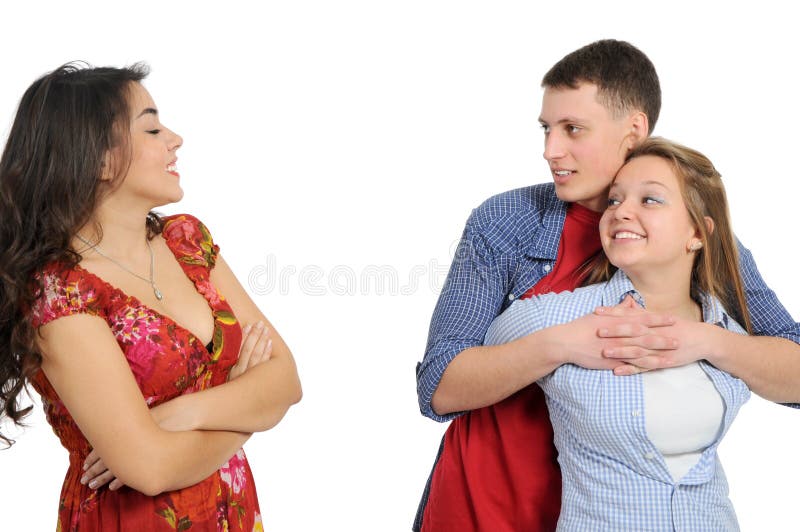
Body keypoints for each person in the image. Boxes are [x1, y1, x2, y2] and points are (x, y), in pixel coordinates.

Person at [415, 40, 800, 531]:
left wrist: (705, 340)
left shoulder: (699, 238)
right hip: (485, 507)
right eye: (547, 129)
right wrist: (567, 343)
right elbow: (439, 386)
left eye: (573, 129)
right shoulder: (506, 222)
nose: (551, 150)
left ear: (633, 130)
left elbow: (792, 368)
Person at [0, 63, 302, 530]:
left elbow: (286, 382)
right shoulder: (60, 292)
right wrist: (250, 410)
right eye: (153, 128)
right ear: (98, 159)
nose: (175, 139)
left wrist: (176, 414)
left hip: (232, 510)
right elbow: (150, 468)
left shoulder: (188, 243)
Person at [486, 136, 778, 529]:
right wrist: (560, 345)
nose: (622, 212)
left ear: (698, 233)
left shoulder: (725, 324)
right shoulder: (559, 315)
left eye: (650, 200)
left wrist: (703, 340)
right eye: (614, 200)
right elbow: (460, 373)